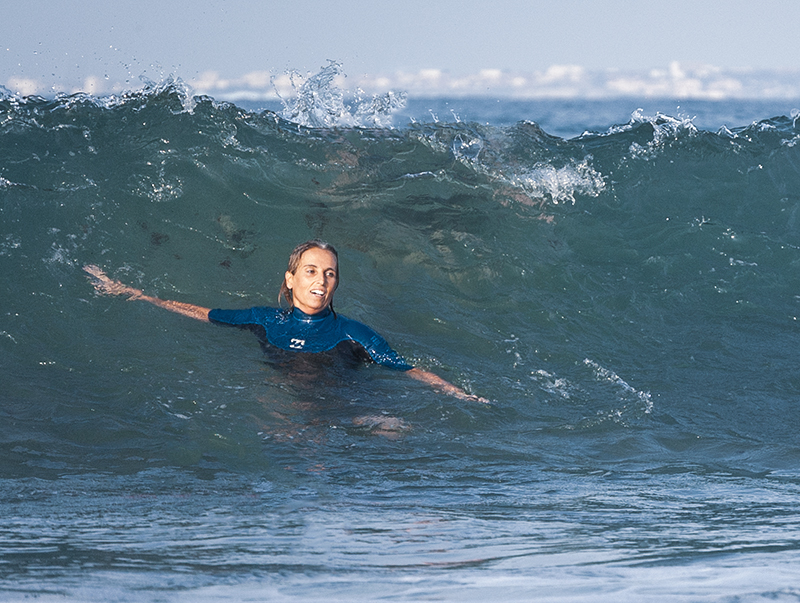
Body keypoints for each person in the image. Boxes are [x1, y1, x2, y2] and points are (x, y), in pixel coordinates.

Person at [83, 239, 487, 403]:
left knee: (390, 431)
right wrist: (134, 294)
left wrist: (457, 393)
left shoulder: (353, 332)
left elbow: (406, 368)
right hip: (287, 403)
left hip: (341, 405)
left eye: (329, 273)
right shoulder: (265, 320)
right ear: (290, 279)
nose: (321, 280)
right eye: (311, 271)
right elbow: (205, 313)